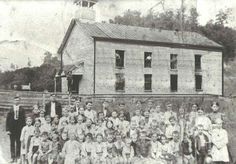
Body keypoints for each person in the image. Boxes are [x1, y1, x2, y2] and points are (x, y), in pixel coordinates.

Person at [6, 95, 26, 163]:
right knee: (12, 143)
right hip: (12, 128)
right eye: (15, 100)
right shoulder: (11, 109)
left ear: (20, 101)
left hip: (19, 128)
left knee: (18, 143)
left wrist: (23, 129)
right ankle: (12, 157)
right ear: (13, 101)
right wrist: (8, 129)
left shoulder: (22, 109)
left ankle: (17, 157)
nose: (17, 101)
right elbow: (7, 120)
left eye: (18, 100)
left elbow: (23, 120)